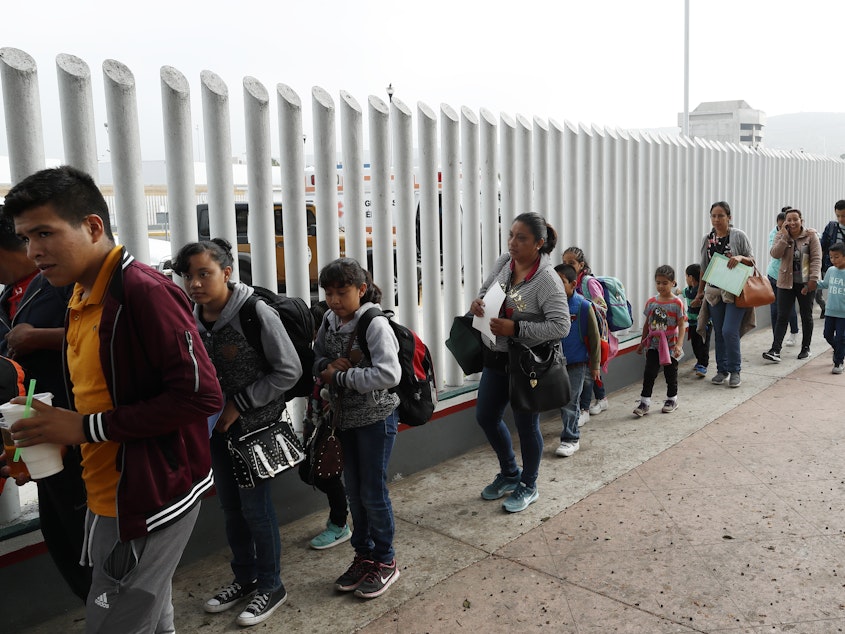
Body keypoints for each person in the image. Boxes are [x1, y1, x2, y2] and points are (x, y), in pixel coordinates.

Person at [3, 165, 223, 634]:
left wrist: (82, 429)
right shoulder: (80, 293)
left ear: (93, 226)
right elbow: (99, 394)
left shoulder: (143, 291)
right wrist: (55, 435)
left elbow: (201, 396)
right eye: (25, 237)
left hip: (149, 498)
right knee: (150, 619)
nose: (33, 250)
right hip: (108, 489)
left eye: (45, 232)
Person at [172, 238, 301, 626]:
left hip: (254, 432)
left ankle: (271, 584)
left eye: (204, 274)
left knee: (256, 511)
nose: (195, 283)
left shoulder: (254, 312)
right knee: (230, 508)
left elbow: (288, 370)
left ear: (227, 273)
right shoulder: (191, 316)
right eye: (188, 276)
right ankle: (244, 578)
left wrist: (239, 403)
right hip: (215, 432)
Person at [0, 210, 91, 602]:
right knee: (62, 538)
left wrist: (39, 337)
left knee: (93, 544)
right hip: (37, 439)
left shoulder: (58, 284)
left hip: (78, 433)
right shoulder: (7, 296)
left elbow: (96, 336)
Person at [313, 257, 402, 599]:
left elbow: (389, 374)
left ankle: (385, 560)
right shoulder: (329, 320)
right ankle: (363, 556)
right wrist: (324, 366)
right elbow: (316, 356)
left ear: (362, 290)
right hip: (344, 420)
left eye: (342, 291)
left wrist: (343, 377)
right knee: (354, 492)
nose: (334, 299)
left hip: (376, 421)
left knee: (373, 493)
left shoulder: (374, 325)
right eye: (328, 292)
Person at [470, 212, 569, 512]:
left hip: (528, 364)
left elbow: (561, 326)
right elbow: (486, 289)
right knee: (486, 416)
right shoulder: (505, 262)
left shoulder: (547, 281)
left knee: (527, 425)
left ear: (539, 243)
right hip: (496, 357)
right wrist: (477, 302)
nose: (512, 242)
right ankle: (510, 473)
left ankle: (529, 483)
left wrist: (517, 329)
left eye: (521, 238)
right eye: (511, 235)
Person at [301, 300, 351, 551]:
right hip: (317, 421)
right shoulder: (322, 359)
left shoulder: (341, 359)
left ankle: (339, 523)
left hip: (331, 424)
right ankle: (341, 513)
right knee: (311, 471)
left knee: (326, 474)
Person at [693, 201, 756, 388]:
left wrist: (740, 258)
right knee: (719, 332)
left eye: (721, 215)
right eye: (713, 216)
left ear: (729, 217)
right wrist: (699, 294)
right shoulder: (708, 239)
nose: (717, 219)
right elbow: (704, 268)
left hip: (735, 291)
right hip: (714, 292)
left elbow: (752, 260)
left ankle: (735, 370)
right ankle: (722, 370)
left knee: (729, 331)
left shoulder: (738, 236)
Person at [561, 246, 618, 425]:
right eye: (565, 263)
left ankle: (584, 409)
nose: (568, 266)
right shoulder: (569, 281)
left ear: (581, 264)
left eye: (571, 263)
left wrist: (584, 306)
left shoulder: (587, 282)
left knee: (589, 370)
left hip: (592, 333)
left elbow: (601, 306)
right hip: (578, 334)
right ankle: (601, 399)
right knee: (588, 372)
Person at [762, 208, 821, 362]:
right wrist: (784, 238)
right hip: (785, 282)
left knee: (806, 315)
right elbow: (775, 254)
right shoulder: (781, 235)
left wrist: (813, 280)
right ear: (785, 222)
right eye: (789, 220)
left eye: (795, 219)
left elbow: (816, 258)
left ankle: (805, 348)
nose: (792, 222)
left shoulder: (811, 236)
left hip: (805, 283)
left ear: (801, 220)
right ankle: (775, 350)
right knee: (782, 316)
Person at [553, 264, 599, 458]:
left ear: (573, 284)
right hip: (553, 363)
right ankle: (568, 429)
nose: (556, 286)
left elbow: (595, 337)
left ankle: (571, 438)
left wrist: (595, 365)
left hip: (577, 362)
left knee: (570, 401)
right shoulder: (549, 305)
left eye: (561, 282)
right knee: (561, 400)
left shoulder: (583, 306)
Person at [633, 265, 686, 416]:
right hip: (654, 345)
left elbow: (682, 325)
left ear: (673, 283)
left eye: (665, 283)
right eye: (658, 282)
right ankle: (644, 402)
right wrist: (642, 343)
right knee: (649, 372)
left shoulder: (677, 303)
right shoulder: (651, 302)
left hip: (670, 346)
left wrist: (679, 344)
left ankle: (671, 399)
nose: (661, 286)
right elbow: (646, 325)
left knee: (671, 373)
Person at [767, 209, 800, 346]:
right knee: (775, 310)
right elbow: (775, 253)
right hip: (774, 275)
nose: (785, 227)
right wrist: (783, 236)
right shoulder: (775, 234)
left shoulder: (797, 234)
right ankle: (777, 340)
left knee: (789, 308)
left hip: (788, 277)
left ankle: (794, 332)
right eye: (781, 225)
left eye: (786, 224)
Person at [815, 242, 845, 374]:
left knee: (840, 338)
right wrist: (811, 283)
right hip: (831, 311)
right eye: (831, 257)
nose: (833, 260)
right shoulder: (831, 270)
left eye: (836, 257)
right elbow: (824, 284)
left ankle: (839, 361)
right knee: (827, 335)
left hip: (843, 314)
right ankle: (840, 349)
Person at [818, 199, 845, 319]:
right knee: (825, 288)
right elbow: (822, 246)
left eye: (843, 216)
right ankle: (827, 309)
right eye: (838, 215)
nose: (840, 219)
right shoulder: (831, 227)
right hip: (829, 266)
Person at [683, 263, 711, 377]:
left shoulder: (702, 291)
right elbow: (680, 292)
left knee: (703, 344)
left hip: (704, 323)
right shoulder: (688, 290)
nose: (685, 279)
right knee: (695, 343)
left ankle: (703, 365)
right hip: (692, 323)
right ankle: (699, 361)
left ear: (690, 277)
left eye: (686, 276)